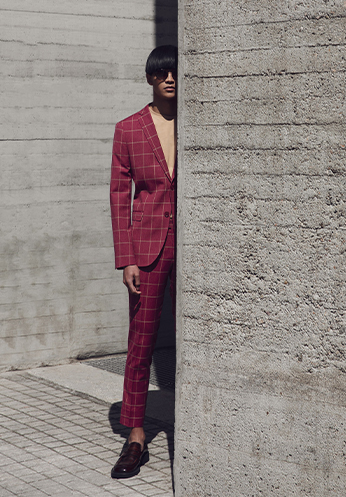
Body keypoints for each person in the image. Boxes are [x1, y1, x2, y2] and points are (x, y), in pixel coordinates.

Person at [109, 45, 177, 479]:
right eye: (162, 72)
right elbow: (120, 197)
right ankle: (135, 437)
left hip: (193, 247)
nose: (170, 78)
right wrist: (127, 259)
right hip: (148, 249)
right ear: (150, 78)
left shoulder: (197, 120)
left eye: (175, 72)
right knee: (141, 344)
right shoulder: (129, 129)